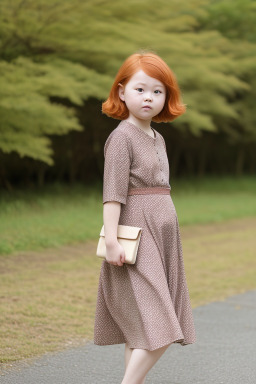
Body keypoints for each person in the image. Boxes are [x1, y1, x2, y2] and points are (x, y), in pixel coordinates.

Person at [94, 51, 196, 384]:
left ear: (167, 96)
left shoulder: (158, 137)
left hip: (164, 233)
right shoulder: (121, 137)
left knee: (140, 332)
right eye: (140, 89)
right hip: (137, 235)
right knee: (161, 326)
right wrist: (111, 241)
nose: (149, 97)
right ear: (121, 91)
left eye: (157, 90)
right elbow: (112, 194)